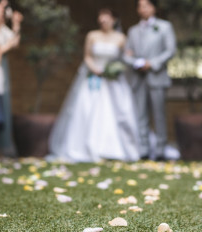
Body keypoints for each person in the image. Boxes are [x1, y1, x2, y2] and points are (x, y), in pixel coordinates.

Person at [49, 8, 140, 163]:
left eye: (106, 18)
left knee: (117, 112)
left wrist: (119, 64)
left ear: (113, 20)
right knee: (87, 111)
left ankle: (114, 148)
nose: (103, 21)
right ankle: (85, 148)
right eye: (101, 18)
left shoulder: (121, 38)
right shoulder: (92, 35)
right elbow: (87, 57)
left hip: (113, 81)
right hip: (94, 78)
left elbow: (125, 58)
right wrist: (95, 69)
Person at [123, 0, 176, 161]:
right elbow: (126, 54)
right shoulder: (133, 31)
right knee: (140, 115)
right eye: (140, 6)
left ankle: (160, 151)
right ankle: (143, 150)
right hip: (138, 78)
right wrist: (135, 63)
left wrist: (151, 63)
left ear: (153, 8)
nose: (143, 9)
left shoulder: (165, 27)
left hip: (156, 76)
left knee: (159, 114)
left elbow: (170, 50)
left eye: (146, 5)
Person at [0, 0, 22, 157]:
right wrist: (1, 50)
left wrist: (16, 24)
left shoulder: (2, 28)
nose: (2, 11)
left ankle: (1, 147)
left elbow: (14, 43)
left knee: (1, 105)